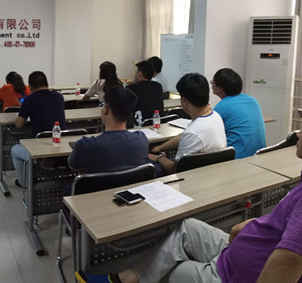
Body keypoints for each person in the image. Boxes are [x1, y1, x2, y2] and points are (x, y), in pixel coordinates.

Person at [113, 129, 302, 283]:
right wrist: (253, 224)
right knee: (187, 227)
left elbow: (290, 259)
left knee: (171, 270)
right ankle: (131, 277)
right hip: (240, 252)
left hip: (231, 276)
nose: (298, 134)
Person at [149, 73, 226, 175]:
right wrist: (160, 148)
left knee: (151, 167)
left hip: (193, 176)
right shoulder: (215, 116)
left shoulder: (193, 132)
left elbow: (174, 169)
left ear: (184, 101)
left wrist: (159, 157)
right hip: (212, 172)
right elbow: (184, 136)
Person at [69, 85, 150, 174]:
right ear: (131, 114)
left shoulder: (84, 145)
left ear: (106, 109)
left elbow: (73, 165)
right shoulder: (142, 140)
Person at [9, 71, 66, 187]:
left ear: (30, 87)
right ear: (47, 84)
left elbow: (19, 124)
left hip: (40, 152)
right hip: (61, 148)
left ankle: (23, 183)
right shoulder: (59, 96)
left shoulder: (29, 99)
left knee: (15, 149)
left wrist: (22, 111)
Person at [211, 68, 266, 158]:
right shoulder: (252, 100)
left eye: (213, 82)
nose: (212, 85)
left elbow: (209, 136)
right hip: (259, 156)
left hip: (236, 158)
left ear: (220, 89)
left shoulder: (221, 107)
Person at [127, 60, 164, 126]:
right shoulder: (158, 86)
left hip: (139, 125)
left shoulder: (131, 88)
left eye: (136, 72)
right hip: (157, 124)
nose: (134, 75)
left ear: (139, 74)